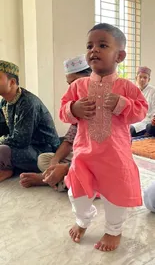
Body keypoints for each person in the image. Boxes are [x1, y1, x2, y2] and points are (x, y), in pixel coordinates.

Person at [59, 23, 148, 252]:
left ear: (119, 55)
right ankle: (83, 219)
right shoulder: (78, 86)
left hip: (114, 155)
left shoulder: (126, 87)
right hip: (84, 153)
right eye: (89, 45)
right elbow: (62, 110)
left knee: (116, 196)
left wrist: (123, 104)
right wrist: (73, 109)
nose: (93, 50)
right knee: (76, 193)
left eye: (102, 45)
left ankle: (113, 229)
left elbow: (141, 110)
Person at [20, 55, 92, 189]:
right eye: (70, 84)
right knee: (44, 159)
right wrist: (55, 161)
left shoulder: (104, 106)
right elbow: (69, 140)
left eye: (76, 82)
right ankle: (59, 178)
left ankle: (48, 179)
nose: (72, 89)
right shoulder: (79, 108)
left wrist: (66, 168)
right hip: (80, 158)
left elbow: (103, 155)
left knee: (90, 175)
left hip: (101, 163)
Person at [0, 60, 60, 182]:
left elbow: (21, 140)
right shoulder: (4, 102)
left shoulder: (28, 102)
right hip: (23, 147)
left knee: (2, 150)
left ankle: (6, 169)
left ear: (11, 82)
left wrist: (1, 140)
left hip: (43, 151)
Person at [130, 66, 155, 137]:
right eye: (140, 77)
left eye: (145, 77)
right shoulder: (133, 90)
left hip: (147, 120)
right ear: (136, 78)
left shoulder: (153, 91)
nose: (142, 79)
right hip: (134, 119)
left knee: (130, 129)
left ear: (149, 79)